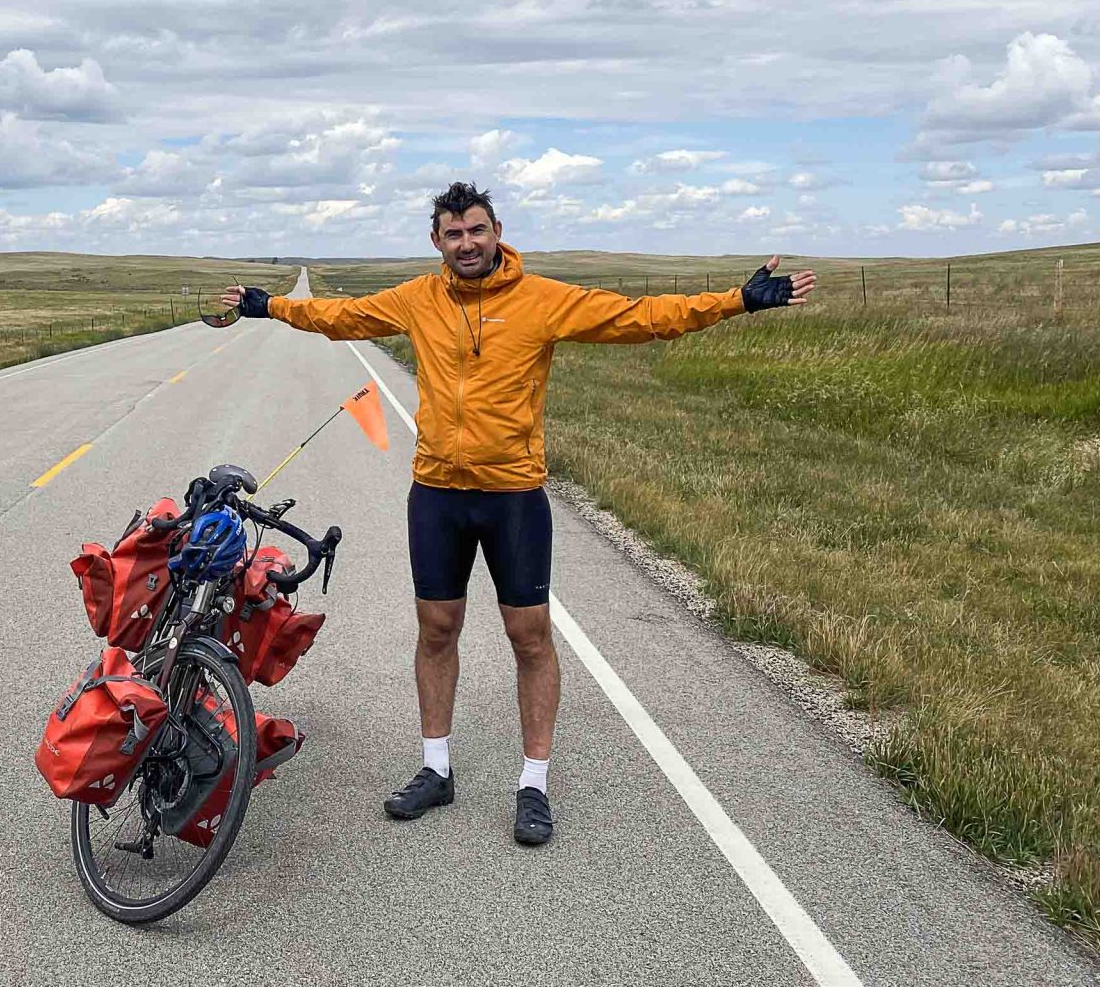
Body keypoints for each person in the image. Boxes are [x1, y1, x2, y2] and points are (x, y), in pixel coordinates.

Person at [220, 182, 814, 845]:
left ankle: (533, 783)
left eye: (477, 230)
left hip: (514, 497)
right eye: (454, 234)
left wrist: (736, 301)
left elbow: (642, 316)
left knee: (529, 636)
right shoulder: (418, 298)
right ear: (436, 241)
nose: (467, 244)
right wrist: (268, 305)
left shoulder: (543, 299)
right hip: (438, 493)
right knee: (437, 629)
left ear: (497, 230)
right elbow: (343, 315)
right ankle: (435, 769)